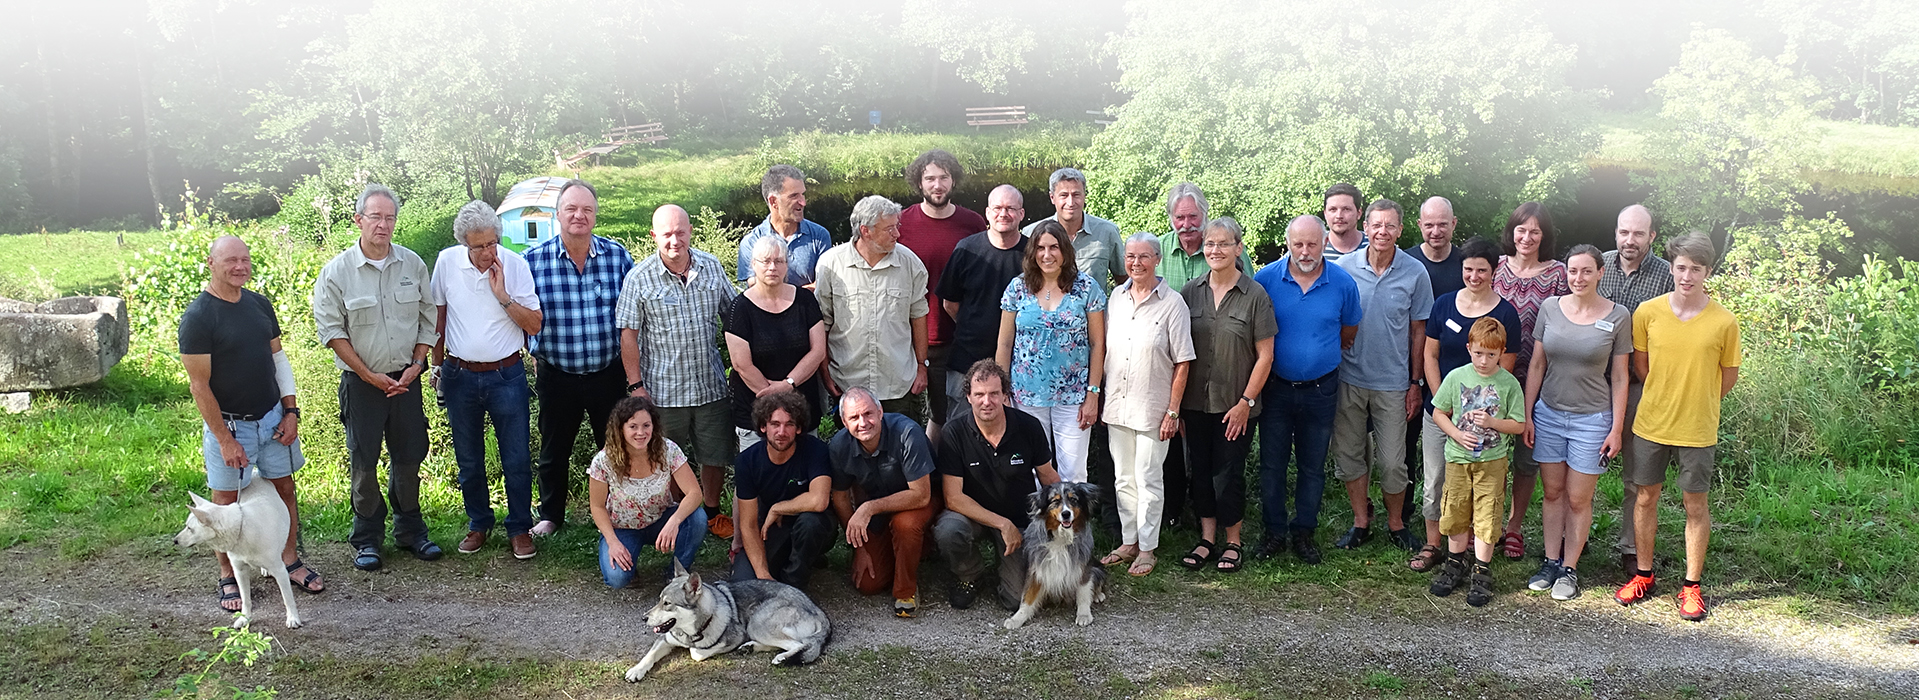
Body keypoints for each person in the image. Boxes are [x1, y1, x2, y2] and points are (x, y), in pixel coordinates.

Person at [180, 235, 323, 611]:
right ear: (211, 263)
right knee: (223, 504)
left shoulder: (260, 304)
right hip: (231, 426)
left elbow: (279, 361)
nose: (240, 266)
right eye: (230, 260)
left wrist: (291, 412)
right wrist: (225, 440)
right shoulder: (198, 318)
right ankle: (229, 574)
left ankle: (287, 559)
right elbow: (200, 385)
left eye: (245, 259)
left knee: (284, 490)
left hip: (273, 419)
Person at [312, 184, 440, 571]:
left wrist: (418, 364)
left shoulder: (412, 265)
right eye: (375, 217)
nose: (383, 225)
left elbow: (427, 318)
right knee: (364, 462)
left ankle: (411, 531)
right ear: (358, 220)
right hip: (362, 385)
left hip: (406, 381)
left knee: (409, 456)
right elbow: (332, 332)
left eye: (389, 218)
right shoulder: (337, 273)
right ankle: (367, 538)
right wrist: (367, 374)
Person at [1613, 232, 1740, 622]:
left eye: (1695, 269)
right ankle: (1644, 575)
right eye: (1681, 267)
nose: (1687, 276)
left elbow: (1728, 376)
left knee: (1694, 504)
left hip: (1698, 427)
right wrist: (1666, 396)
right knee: (1644, 497)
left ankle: (1691, 586)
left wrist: (1696, 400)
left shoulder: (1724, 321)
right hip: (1651, 422)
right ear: (1671, 267)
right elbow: (1641, 367)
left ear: (1708, 272)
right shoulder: (1647, 313)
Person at [618, 204, 740, 539]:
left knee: (714, 455)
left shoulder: (711, 267)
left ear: (690, 232)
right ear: (654, 236)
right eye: (667, 234)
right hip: (663, 390)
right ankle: (677, 514)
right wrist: (635, 386)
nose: (675, 240)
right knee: (666, 458)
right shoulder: (639, 278)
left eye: (680, 232)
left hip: (710, 384)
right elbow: (628, 334)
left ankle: (712, 513)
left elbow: (735, 313)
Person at [430, 201, 543, 560]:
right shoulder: (447, 262)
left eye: (492, 242)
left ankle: (520, 528)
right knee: (469, 459)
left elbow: (534, 324)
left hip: (506, 374)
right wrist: (435, 367)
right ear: (464, 244)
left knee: (516, 458)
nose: (487, 252)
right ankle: (479, 523)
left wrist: (503, 296)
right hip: (459, 374)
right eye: (478, 246)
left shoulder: (516, 265)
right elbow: (439, 316)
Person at [1521, 244, 1632, 601]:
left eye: (1586, 271)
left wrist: (1615, 429)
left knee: (1578, 499)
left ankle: (1570, 568)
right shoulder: (1550, 308)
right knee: (1552, 493)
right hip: (1549, 414)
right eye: (1572, 271)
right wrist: (1528, 414)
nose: (1578, 278)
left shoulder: (1618, 316)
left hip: (1592, 420)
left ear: (1601, 273)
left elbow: (1619, 376)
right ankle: (1550, 561)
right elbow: (1537, 364)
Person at [526, 179, 633, 536]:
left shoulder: (617, 257)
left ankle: (621, 510)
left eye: (587, 209)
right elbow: (520, 315)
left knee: (616, 447)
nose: (579, 215)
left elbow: (634, 315)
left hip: (608, 373)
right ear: (557, 214)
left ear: (595, 215)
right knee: (554, 450)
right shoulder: (533, 261)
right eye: (571, 208)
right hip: (557, 374)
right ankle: (551, 515)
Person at [1252, 215, 1362, 564]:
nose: (1305, 251)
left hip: (1321, 390)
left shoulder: (1343, 283)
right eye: (1297, 244)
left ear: (1325, 242)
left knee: (1312, 466)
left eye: (1312, 244)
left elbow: (1348, 333)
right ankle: (1273, 532)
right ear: (1288, 244)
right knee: (1272, 464)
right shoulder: (1266, 279)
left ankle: (1304, 532)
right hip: (1276, 389)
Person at [1410, 239, 1521, 573]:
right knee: (1435, 481)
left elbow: (1507, 369)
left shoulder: (1505, 314)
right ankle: (1433, 544)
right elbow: (1430, 354)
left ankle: (1474, 549)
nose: (1474, 276)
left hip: (1483, 420)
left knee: (1481, 485)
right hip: (1441, 412)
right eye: (1468, 269)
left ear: (1494, 271)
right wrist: (1441, 400)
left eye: (1481, 270)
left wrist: (1481, 415)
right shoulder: (1444, 305)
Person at [1331, 199, 1434, 552]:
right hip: (1348, 378)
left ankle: (1396, 523)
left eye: (1390, 226)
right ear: (1366, 227)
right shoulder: (1343, 268)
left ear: (1400, 230)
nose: (1382, 232)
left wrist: (1415, 382)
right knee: (1349, 456)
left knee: (1393, 463)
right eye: (1376, 225)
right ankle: (1361, 521)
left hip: (1393, 381)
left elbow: (1419, 330)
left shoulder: (1415, 272)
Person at [1176, 217, 1275, 573]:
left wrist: (1246, 403)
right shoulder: (1190, 292)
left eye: (1223, 244)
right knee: (1200, 472)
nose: (1215, 250)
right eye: (1210, 244)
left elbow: (1266, 355)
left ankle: (1233, 541)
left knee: (1228, 474)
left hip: (1237, 405)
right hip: (1195, 404)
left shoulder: (1255, 295)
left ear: (1239, 248)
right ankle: (1207, 538)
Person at [1096, 232, 1194, 577]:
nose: (1136, 263)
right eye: (1130, 257)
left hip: (1154, 408)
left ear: (1157, 260)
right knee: (1123, 479)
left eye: (1144, 257)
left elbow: (1183, 361)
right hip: (1118, 406)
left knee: (1149, 479)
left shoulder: (1172, 304)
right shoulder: (1116, 298)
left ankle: (1148, 548)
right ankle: (1128, 541)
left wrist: (1173, 410)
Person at [1152, 183, 1250, 528]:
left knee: (1213, 457)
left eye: (1193, 216)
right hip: (1168, 368)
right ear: (1171, 219)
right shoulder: (1158, 249)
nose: (1187, 223)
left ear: (1203, 216)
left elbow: (1248, 300)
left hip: (1220, 370)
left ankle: (1209, 516)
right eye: (1179, 217)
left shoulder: (1224, 247)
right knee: (1173, 449)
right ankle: (1175, 511)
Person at [933, 360, 1061, 612]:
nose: (986, 401)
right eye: (979, 394)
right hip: (972, 515)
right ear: (968, 396)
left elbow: (1049, 477)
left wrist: (1062, 519)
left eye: (994, 393)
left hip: (1019, 518)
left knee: (1015, 601)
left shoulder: (1028, 427)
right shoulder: (953, 433)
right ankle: (970, 573)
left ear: (1005, 394)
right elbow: (953, 498)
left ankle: (1007, 568)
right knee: (948, 530)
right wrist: (1002, 524)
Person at [995, 219, 1107, 483]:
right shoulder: (1017, 288)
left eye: (1054, 247)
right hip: (1026, 395)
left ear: (1065, 250)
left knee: (1074, 471)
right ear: (1032, 251)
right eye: (1041, 248)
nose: (1047, 255)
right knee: (1033, 470)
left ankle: (1072, 525)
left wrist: (1093, 394)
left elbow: (1097, 344)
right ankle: (1038, 525)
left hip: (1073, 397)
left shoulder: (1086, 288)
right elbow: (1004, 344)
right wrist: (1002, 391)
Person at [1427, 318, 1528, 608]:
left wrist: (1494, 422)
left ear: (1502, 353)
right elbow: (1439, 413)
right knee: (1456, 508)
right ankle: (1454, 563)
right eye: (1479, 353)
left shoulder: (1508, 383)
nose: (1484, 361)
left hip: (1492, 461)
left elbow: (1519, 425)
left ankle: (1482, 570)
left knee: (1487, 512)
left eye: (1492, 355)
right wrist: (1457, 434)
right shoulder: (1456, 377)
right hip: (1458, 459)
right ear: (1469, 348)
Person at [1597, 204, 1673, 577]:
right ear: (1616, 232)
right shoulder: (1598, 265)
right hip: (1593, 384)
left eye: (1638, 234)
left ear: (1652, 236)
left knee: (1636, 474)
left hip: (1640, 384)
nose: (1630, 240)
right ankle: (1567, 541)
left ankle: (1630, 545)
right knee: (1578, 466)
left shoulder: (1667, 276)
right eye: (1624, 232)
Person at [1490, 201, 1568, 559]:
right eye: (1521, 229)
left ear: (1544, 235)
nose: (1527, 237)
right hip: (1492, 376)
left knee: (1526, 458)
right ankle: (1485, 524)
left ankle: (1514, 527)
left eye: (1535, 231)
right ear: (1512, 231)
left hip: (1536, 378)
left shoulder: (1558, 275)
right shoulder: (1496, 268)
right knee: (1489, 454)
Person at [897, 149, 989, 444]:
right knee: (919, 415)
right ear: (919, 183)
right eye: (930, 178)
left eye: (944, 178)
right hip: (910, 336)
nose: (937, 185)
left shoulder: (972, 223)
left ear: (953, 181)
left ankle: (953, 477)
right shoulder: (901, 223)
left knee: (956, 413)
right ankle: (924, 477)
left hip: (961, 338)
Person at [816, 195, 931, 422]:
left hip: (898, 383)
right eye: (889, 229)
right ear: (865, 231)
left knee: (903, 449)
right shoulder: (830, 265)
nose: (897, 234)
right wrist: (825, 372)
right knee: (854, 454)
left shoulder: (910, 264)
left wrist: (921, 366)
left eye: (896, 226)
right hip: (848, 383)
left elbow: (918, 316)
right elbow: (822, 324)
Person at [829, 387, 939, 617]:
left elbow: (921, 494)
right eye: (854, 417)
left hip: (922, 500)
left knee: (905, 524)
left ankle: (905, 590)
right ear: (843, 421)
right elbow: (839, 497)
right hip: (879, 506)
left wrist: (868, 508)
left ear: (880, 412)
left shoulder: (907, 432)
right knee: (868, 584)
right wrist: (858, 548)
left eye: (868, 413)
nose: (863, 422)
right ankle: (908, 551)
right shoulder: (839, 446)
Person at [589, 396, 709, 588]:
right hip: (623, 527)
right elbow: (596, 506)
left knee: (698, 518)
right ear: (621, 428)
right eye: (633, 426)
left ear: (654, 426)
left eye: (646, 425)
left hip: (661, 519)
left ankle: (677, 572)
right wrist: (613, 542)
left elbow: (695, 493)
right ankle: (628, 563)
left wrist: (674, 522)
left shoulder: (668, 449)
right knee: (616, 578)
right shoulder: (603, 461)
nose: (641, 432)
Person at [1397, 196, 1465, 533]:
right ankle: (1407, 516)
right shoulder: (1406, 262)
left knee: (1454, 451)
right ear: (1419, 226)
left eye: (1442, 224)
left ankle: (1456, 519)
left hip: (1457, 374)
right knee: (1407, 445)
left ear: (1453, 224)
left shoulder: (1467, 264)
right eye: (1429, 224)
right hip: (1410, 370)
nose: (1435, 231)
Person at [725, 236, 826, 452]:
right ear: (753, 264)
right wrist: (776, 396)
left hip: (802, 408)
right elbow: (741, 364)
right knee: (757, 477)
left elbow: (817, 351)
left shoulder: (805, 301)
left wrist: (788, 384)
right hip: (755, 412)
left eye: (779, 261)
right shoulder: (740, 308)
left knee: (806, 474)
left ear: (787, 265)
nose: (772, 267)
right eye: (765, 261)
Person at [936, 184, 1028, 421]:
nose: (1003, 214)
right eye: (997, 208)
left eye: (1010, 208)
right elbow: (950, 303)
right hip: (968, 358)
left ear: (1021, 214)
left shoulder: (1033, 254)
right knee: (961, 429)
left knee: (1016, 430)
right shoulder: (966, 250)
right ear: (987, 213)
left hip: (1021, 362)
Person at [731, 392, 833, 589]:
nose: (782, 431)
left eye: (789, 424)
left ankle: (793, 586)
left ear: (799, 428)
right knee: (743, 584)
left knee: (811, 523)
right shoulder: (746, 462)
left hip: (812, 525)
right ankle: (788, 563)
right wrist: (763, 576)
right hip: (772, 529)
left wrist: (778, 508)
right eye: (775, 424)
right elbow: (748, 524)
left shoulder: (816, 450)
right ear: (763, 427)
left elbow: (820, 500)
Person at [1022, 167, 1124, 291]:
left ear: (1084, 196)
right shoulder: (1031, 233)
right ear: (1052, 198)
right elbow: (1026, 278)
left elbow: (1124, 280)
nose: (1070, 202)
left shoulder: (1107, 232)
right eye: (1064, 195)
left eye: (1076, 195)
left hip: (1094, 309)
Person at [737, 164, 832, 288]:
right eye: (794, 196)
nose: (803, 202)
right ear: (773, 201)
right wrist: (801, 292)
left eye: (803, 194)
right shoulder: (751, 242)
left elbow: (825, 285)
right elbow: (756, 291)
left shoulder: (819, 235)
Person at [1321, 183, 1367, 261]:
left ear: (1359, 213)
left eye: (1346, 209)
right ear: (1325, 213)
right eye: (1333, 209)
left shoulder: (1373, 246)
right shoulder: (1313, 247)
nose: (1339, 216)